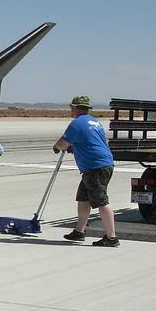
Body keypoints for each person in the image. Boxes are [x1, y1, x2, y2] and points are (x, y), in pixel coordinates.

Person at [54, 95, 119, 247]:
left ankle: (111, 237)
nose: (71, 110)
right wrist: (75, 147)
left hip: (96, 167)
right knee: (83, 198)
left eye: (72, 107)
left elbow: (62, 143)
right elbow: (91, 141)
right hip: (99, 165)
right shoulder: (94, 122)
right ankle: (79, 232)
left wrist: (58, 147)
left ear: (75, 107)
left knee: (101, 201)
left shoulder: (77, 123)